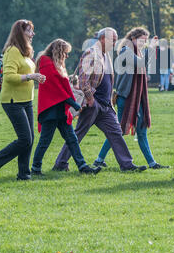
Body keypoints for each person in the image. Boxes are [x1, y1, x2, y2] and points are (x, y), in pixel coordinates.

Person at [52, 28, 147, 172]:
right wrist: (90, 99)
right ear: (102, 39)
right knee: (78, 134)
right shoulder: (91, 53)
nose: (115, 42)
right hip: (94, 103)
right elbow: (84, 80)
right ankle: (60, 164)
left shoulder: (105, 54)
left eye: (116, 39)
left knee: (115, 132)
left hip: (105, 105)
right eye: (112, 39)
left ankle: (127, 165)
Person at [93, 27, 169, 169]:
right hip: (126, 97)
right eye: (141, 40)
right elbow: (140, 63)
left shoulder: (138, 52)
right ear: (133, 39)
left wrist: (150, 49)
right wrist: (151, 48)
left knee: (141, 130)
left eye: (145, 41)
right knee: (118, 131)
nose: (143, 43)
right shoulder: (125, 51)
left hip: (138, 97)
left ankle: (152, 163)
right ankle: (98, 159)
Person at [0, 19, 46, 181]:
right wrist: (31, 76)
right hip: (12, 101)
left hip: (26, 100)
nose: (33, 34)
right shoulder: (12, 51)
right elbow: (10, 77)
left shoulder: (24, 52)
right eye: (29, 31)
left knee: (29, 139)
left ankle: (24, 174)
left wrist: (36, 74)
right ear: (21, 33)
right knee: (25, 139)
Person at [31, 39, 100, 176]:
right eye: (65, 53)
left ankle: (83, 166)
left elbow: (62, 86)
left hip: (60, 109)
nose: (67, 56)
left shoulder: (57, 64)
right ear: (58, 51)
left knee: (72, 139)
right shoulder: (46, 61)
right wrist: (74, 103)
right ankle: (35, 168)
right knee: (45, 141)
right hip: (51, 109)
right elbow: (55, 88)